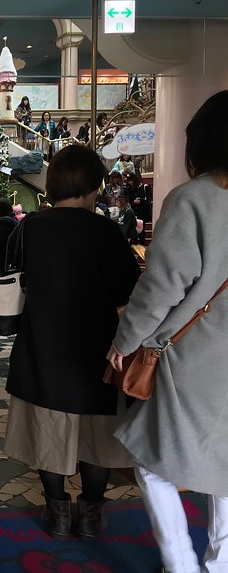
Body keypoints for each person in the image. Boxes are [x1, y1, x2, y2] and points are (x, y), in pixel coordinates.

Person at [106, 90, 228, 573]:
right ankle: (219, 563)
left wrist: (124, 342)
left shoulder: (194, 199)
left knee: (152, 463)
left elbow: (162, 286)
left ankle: (180, 562)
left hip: (194, 357)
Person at [4, 144, 140, 541]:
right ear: (89, 184)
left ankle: (57, 513)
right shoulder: (104, 230)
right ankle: (92, 516)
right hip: (96, 349)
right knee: (96, 434)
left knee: (48, 429)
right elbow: (128, 289)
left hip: (42, 345)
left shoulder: (29, 226)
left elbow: (11, 280)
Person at [0, 197, 18, 276]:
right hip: (12, 258)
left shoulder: (4, 222)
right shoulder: (13, 219)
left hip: (4, 259)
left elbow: (1, 242)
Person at [124, 171, 152, 244]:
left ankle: (141, 247)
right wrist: (133, 202)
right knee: (132, 231)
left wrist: (141, 200)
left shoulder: (145, 187)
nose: (130, 183)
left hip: (142, 213)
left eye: (131, 181)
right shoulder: (129, 189)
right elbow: (126, 200)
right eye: (129, 181)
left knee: (141, 231)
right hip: (133, 212)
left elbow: (149, 199)